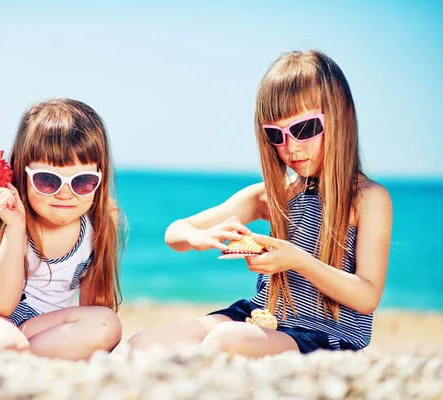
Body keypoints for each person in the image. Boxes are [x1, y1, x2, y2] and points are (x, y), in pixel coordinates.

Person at [128, 50, 393, 357]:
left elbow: (367, 296)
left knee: (226, 341)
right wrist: (197, 237)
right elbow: (175, 232)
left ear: (339, 118)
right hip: (260, 316)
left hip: (323, 335)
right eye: (275, 135)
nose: (290, 147)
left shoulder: (367, 198)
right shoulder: (272, 195)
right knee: (140, 345)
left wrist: (298, 260)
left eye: (304, 129)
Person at [0, 98, 126, 361]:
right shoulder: (8, 215)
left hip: (31, 326)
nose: (65, 194)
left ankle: (6, 353)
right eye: (47, 180)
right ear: (23, 173)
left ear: (101, 176)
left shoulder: (100, 223)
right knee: (8, 342)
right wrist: (15, 227)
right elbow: (1, 305)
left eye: (83, 181)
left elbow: (93, 308)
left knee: (108, 325)